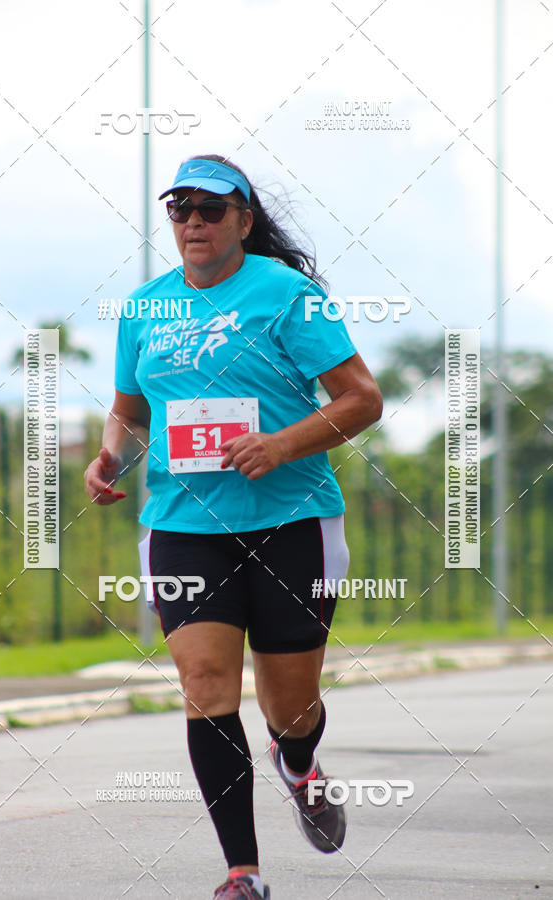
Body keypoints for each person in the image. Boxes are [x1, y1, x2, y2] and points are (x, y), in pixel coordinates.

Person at [84, 155, 383, 900]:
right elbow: (130, 404)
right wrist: (110, 456)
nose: (192, 223)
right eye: (180, 209)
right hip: (183, 523)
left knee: (290, 707)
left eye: (211, 210)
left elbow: (362, 399)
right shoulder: (145, 307)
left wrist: (281, 444)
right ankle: (241, 873)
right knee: (206, 684)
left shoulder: (288, 295)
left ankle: (300, 764)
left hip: (291, 521)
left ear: (244, 221)